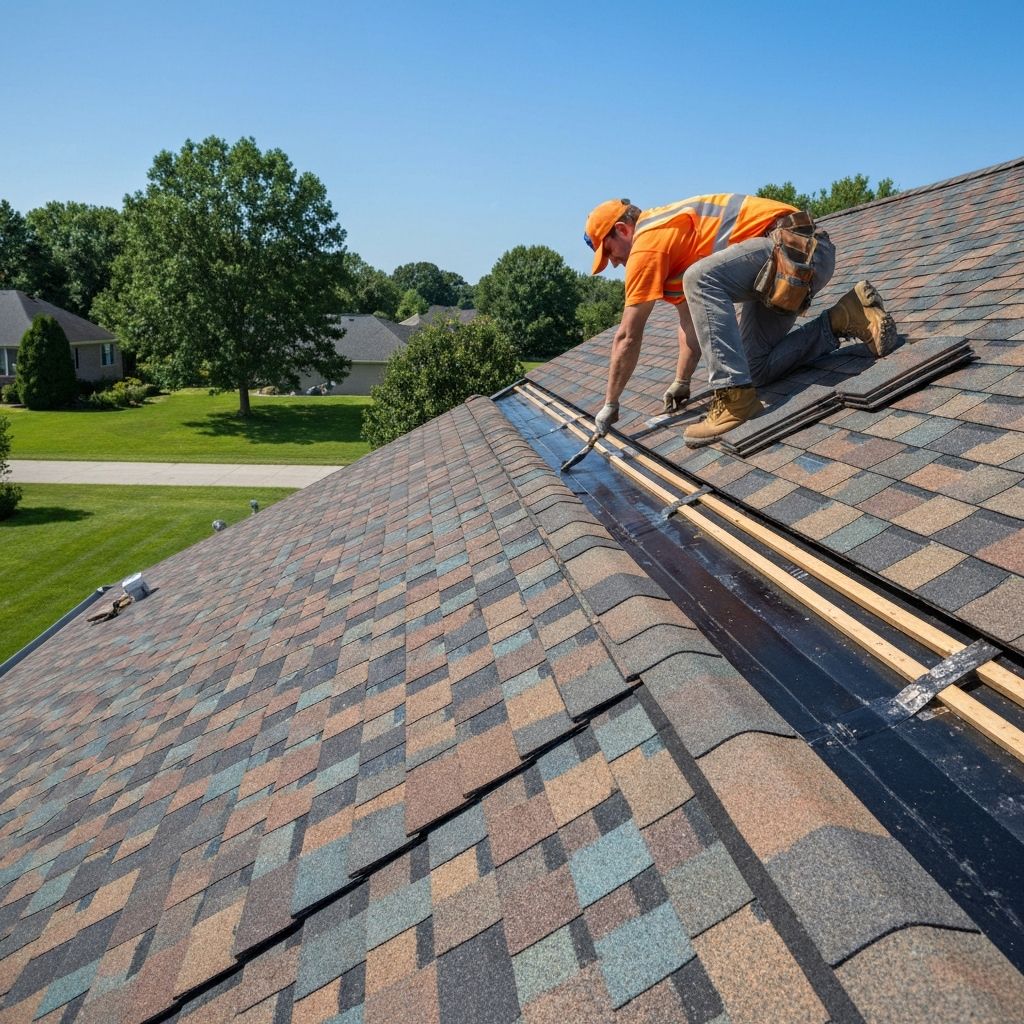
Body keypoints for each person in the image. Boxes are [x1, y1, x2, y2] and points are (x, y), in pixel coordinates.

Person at [584, 195, 897, 446]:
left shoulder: (647, 242)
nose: (612, 263)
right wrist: (682, 382)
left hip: (796, 248)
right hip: (788, 269)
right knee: (753, 369)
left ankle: (734, 400)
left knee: (700, 279)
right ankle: (847, 316)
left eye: (608, 251)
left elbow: (627, 336)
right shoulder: (669, 245)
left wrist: (611, 403)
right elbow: (691, 327)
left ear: (623, 230)